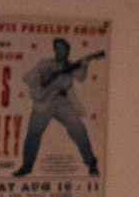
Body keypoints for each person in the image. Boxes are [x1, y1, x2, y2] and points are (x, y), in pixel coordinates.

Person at [14, 37, 104, 177]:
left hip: (63, 102)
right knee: (33, 134)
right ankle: (26, 166)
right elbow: (27, 77)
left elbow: (80, 77)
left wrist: (85, 65)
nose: (59, 51)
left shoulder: (70, 65)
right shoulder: (45, 63)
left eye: (62, 48)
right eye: (57, 48)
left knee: (78, 129)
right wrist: (43, 76)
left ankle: (91, 162)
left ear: (67, 50)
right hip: (44, 103)